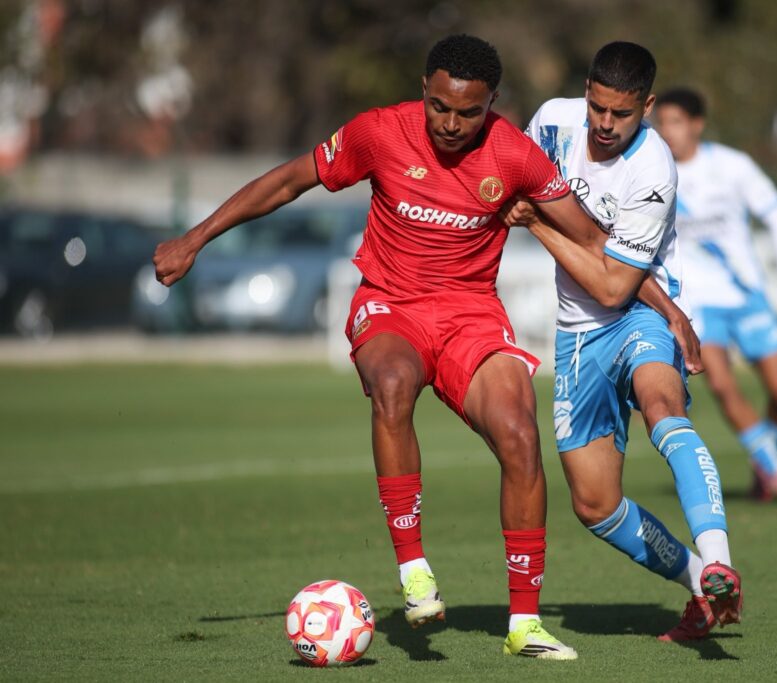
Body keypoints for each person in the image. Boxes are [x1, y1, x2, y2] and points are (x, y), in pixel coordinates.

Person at [150, 34, 636, 660]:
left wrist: (665, 309)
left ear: (492, 103)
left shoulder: (516, 155)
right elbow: (288, 182)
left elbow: (595, 244)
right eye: (440, 107)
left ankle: (524, 624)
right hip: (390, 304)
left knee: (520, 434)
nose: (452, 123)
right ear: (423, 90)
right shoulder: (379, 132)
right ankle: (414, 569)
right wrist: (194, 239)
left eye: (469, 112)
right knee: (393, 384)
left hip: (471, 314)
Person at [504, 42, 743, 644]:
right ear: (586, 91)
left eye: (623, 114)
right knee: (594, 505)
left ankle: (719, 559)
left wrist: (536, 224)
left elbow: (614, 288)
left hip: (639, 311)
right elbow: (513, 189)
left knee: (662, 407)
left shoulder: (653, 169)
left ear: (648, 106)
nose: (606, 124)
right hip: (576, 331)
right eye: (599, 108)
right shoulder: (551, 122)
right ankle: (700, 582)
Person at [653, 87, 777, 502]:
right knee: (720, 383)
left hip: (745, 292)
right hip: (697, 302)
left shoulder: (732, 166)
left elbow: (775, 212)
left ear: (697, 125)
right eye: (662, 123)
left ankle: (765, 458)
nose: (668, 131)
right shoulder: (653, 170)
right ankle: (776, 469)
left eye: (676, 122)